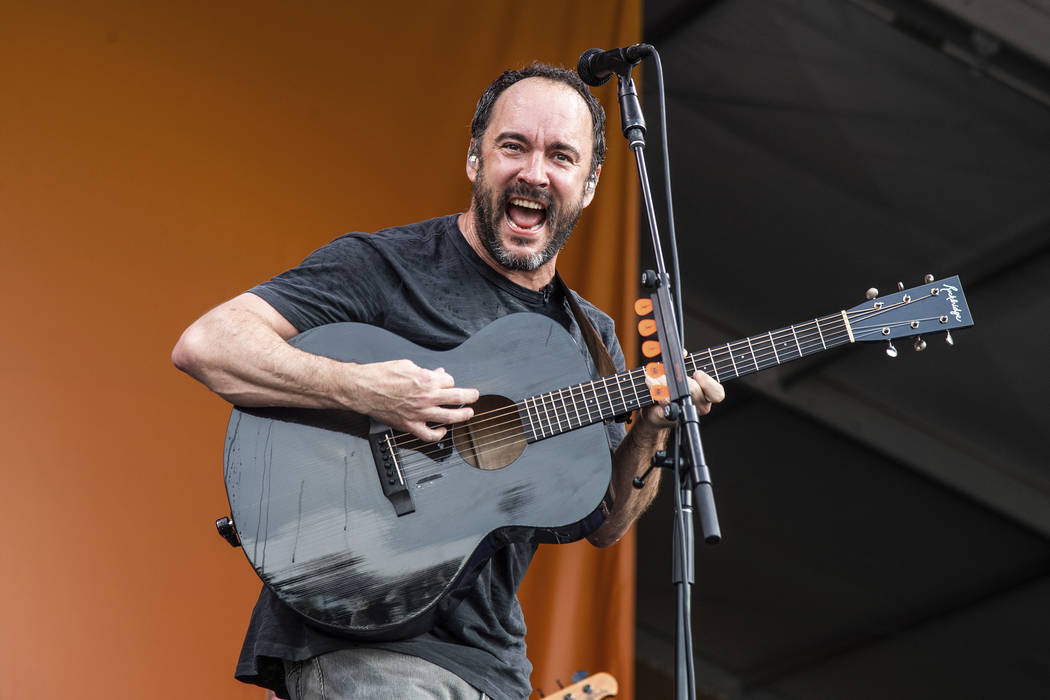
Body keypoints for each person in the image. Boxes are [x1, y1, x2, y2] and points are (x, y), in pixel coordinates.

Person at [172, 62, 724, 700]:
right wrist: (367, 391)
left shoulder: (589, 339)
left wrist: (652, 429)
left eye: (561, 156)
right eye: (513, 146)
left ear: (590, 184)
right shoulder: (386, 265)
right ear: (474, 159)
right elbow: (208, 344)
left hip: (493, 666)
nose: (534, 172)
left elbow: (604, 522)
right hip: (362, 641)